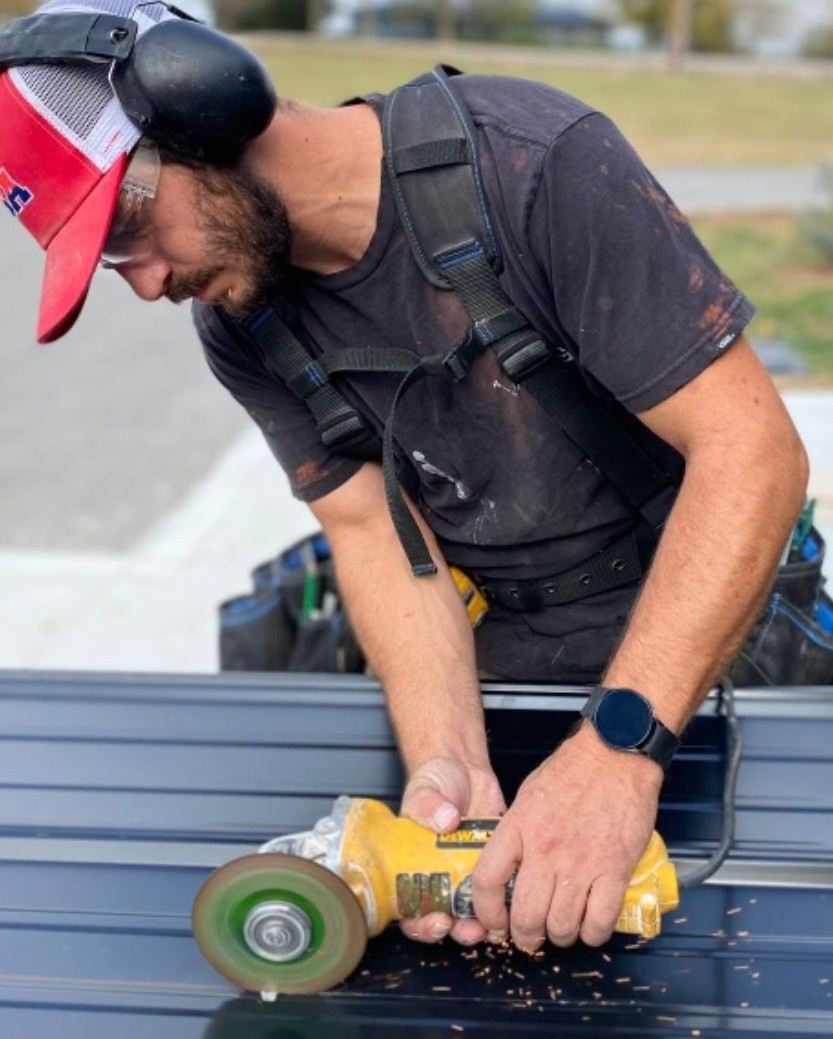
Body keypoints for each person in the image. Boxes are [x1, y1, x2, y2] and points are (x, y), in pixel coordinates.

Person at [1, 0, 808, 957]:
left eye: (129, 229)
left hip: (719, 635)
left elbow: (752, 455)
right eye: (105, 263)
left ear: (204, 105)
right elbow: (373, 533)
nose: (141, 283)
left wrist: (615, 752)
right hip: (511, 650)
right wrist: (446, 769)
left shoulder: (533, 165)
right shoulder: (242, 321)